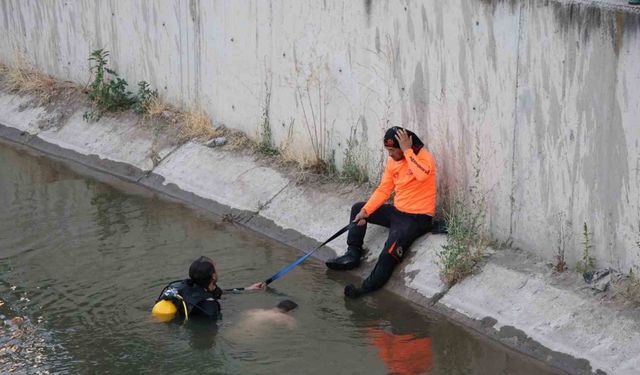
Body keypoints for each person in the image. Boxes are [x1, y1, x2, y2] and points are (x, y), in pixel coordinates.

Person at [326, 127, 436, 298]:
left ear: (404, 146)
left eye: (392, 150)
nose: (390, 155)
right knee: (358, 208)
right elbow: (384, 190)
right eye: (388, 151)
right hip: (398, 212)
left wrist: (408, 151)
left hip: (417, 218)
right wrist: (366, 211)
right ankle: (353, 254)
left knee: (388, 251)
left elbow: (422, 175)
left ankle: (364, 289)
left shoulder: (423, 157)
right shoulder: (393, 162)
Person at [152, 256, 265, 321]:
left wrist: (248, 289)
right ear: (213, 276)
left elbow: (220, 293)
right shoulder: (209, 305)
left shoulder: (182, 286)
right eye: (215, 269)